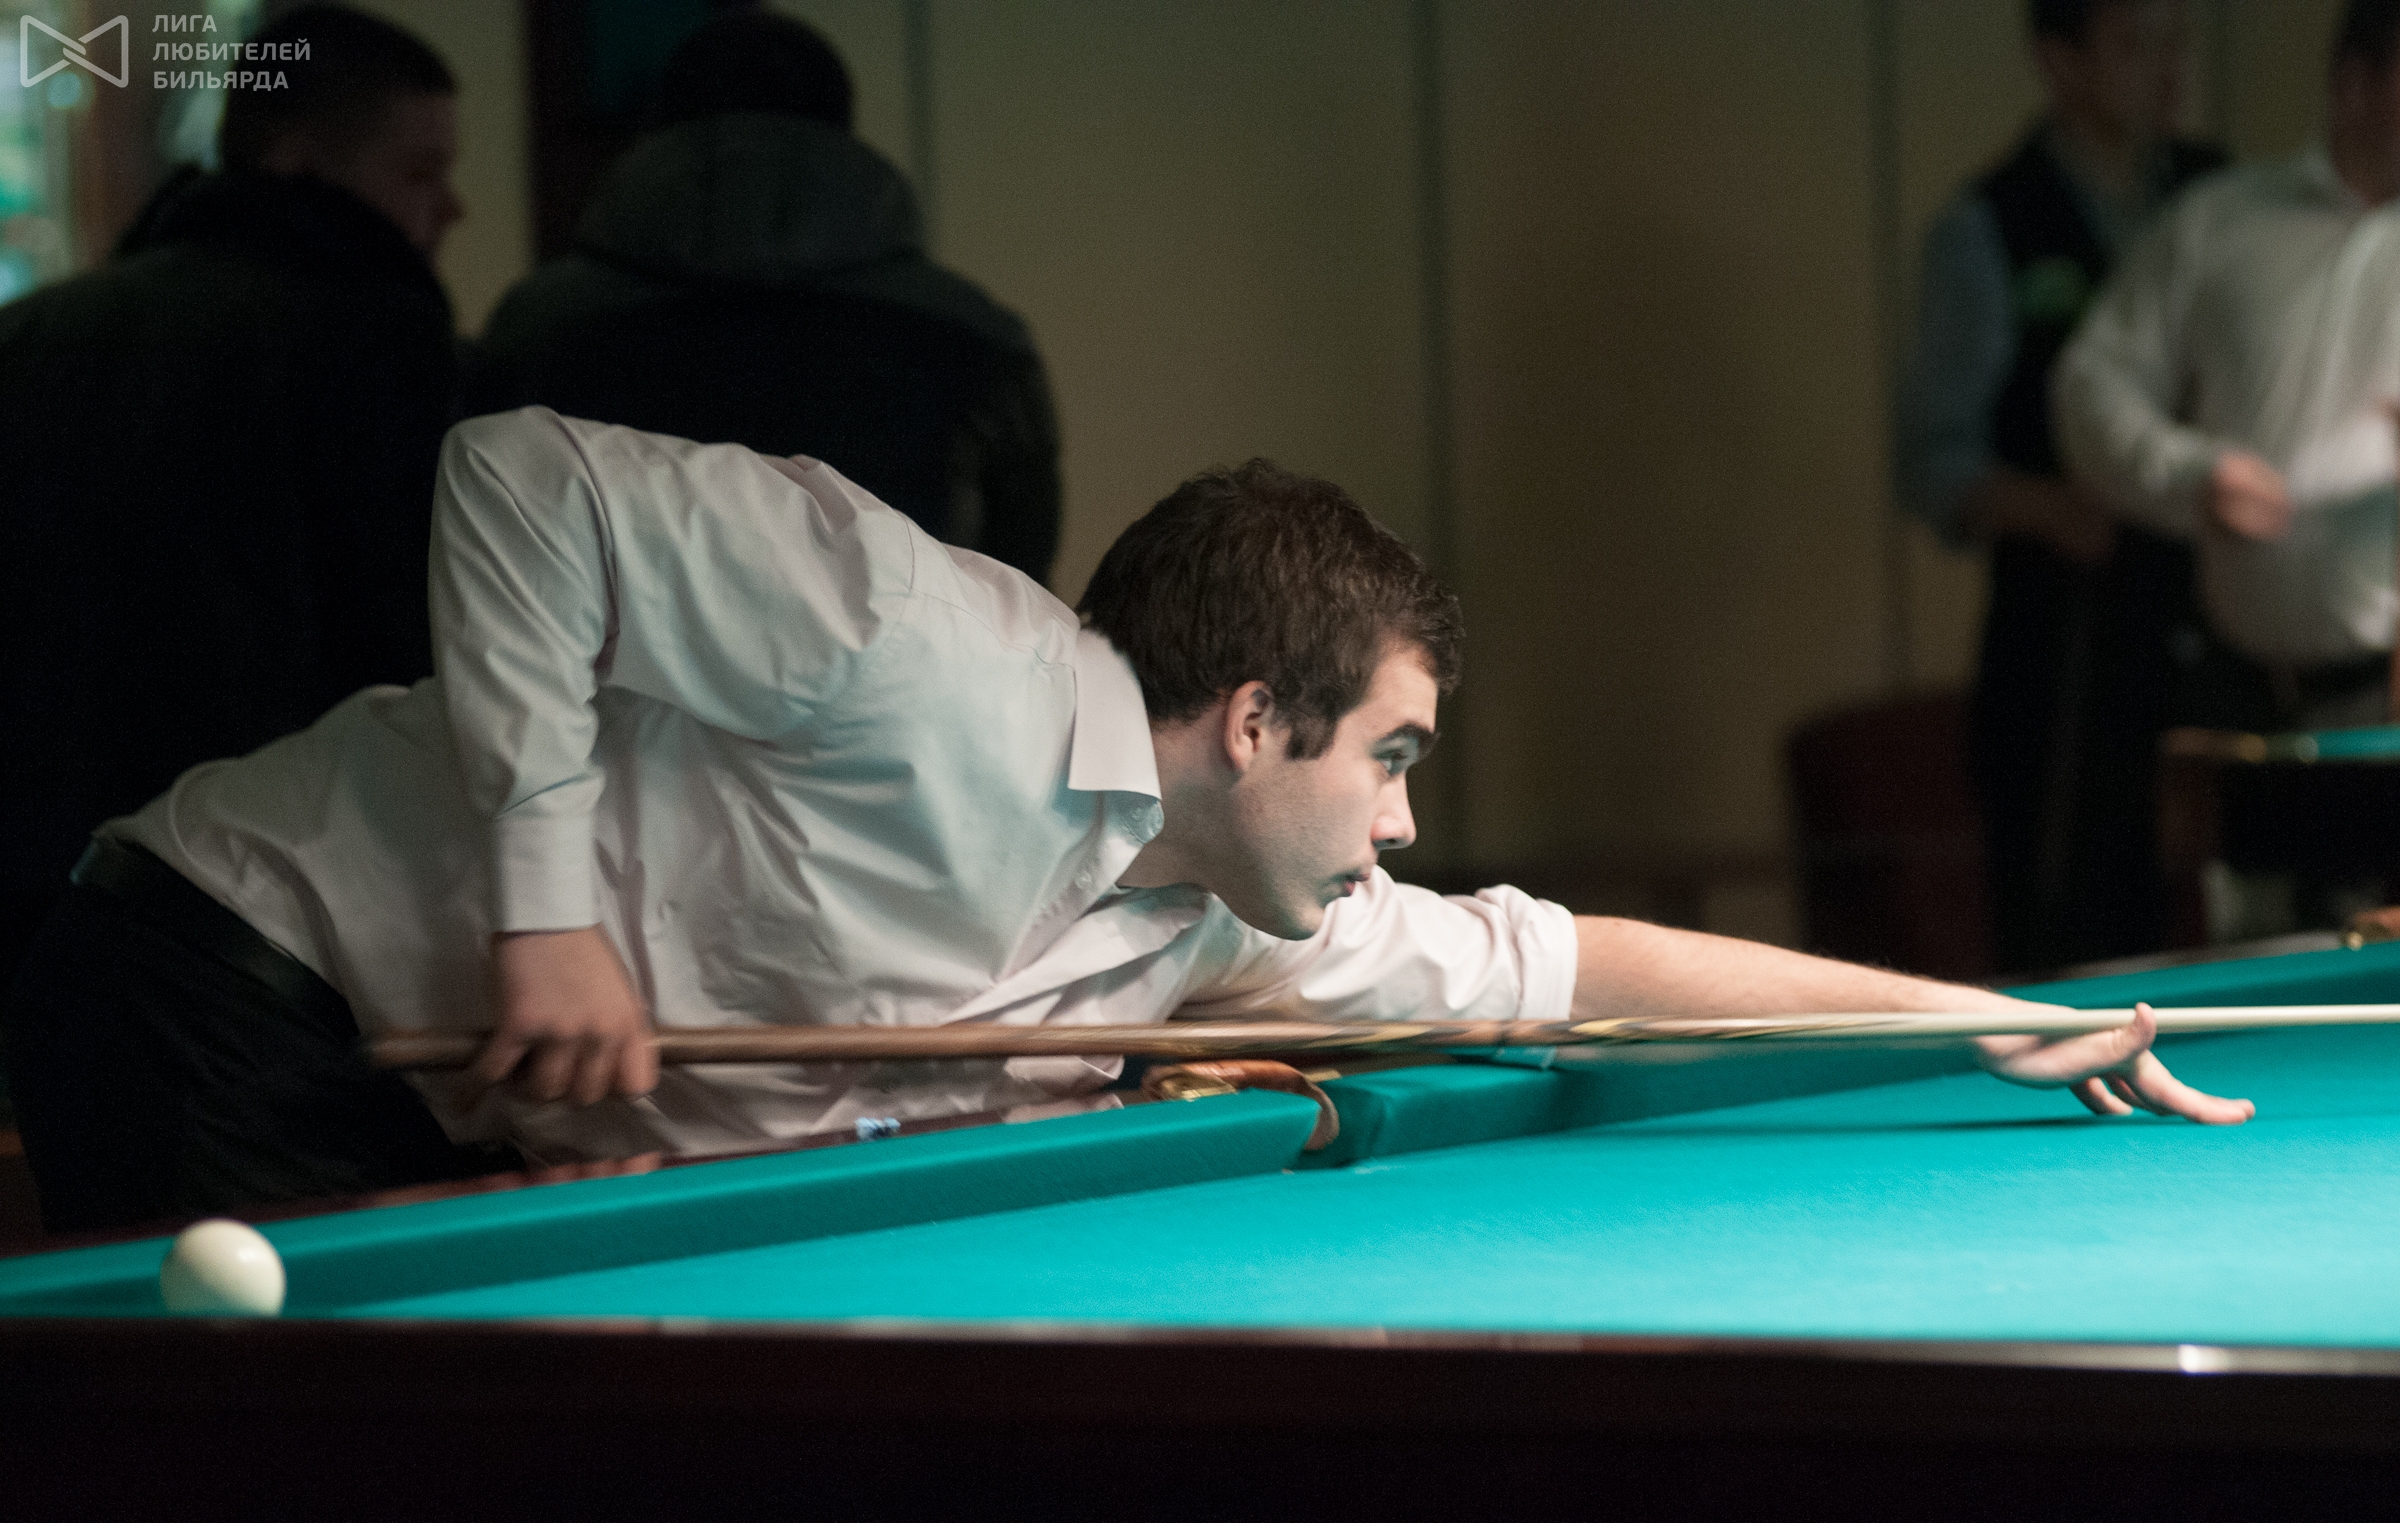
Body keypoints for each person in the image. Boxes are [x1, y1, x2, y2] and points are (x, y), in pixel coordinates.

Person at [0, 409, 2253, 1233]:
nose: (1404, 824)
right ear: (1256, 716)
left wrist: (1972, 1011)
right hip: (214, 963)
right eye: (1393, 756)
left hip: (426, 1103)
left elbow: (1570, 962)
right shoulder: (922, 650)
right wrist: (543, 912)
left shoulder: (1220, 918)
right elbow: (516, 479)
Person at [0, 4, 465, 990]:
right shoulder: (370, 345)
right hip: (253, 892)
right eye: (419, 172)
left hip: (30, 868)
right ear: (299, 161)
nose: (453, 207)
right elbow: (407, 637)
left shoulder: (37, 331)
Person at [470, 10, 1060, 585]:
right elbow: (1020, 572)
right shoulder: (971, 332)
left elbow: (491, 549)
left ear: (657, 133)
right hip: (905, 651)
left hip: (605, 654)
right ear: (843, 134)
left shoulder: (538, 326)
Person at [1895, 0, 2225, 974]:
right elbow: (1933, 462)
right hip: (2067, 647)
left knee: (2230, 928)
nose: (2165, 67)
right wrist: (2047, 506)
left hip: (2216, 632)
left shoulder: (2219, 194)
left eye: (2175, 40)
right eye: (2134, 44)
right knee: (2072, 938)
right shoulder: (1992, 222)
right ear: (2060, 59)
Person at [2056, 0, 2400, 739]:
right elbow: (2093, 383)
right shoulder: (2219, 220)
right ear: (2356, 85)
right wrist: (2192, 475)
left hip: (2387, 694)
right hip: (2228, 693)